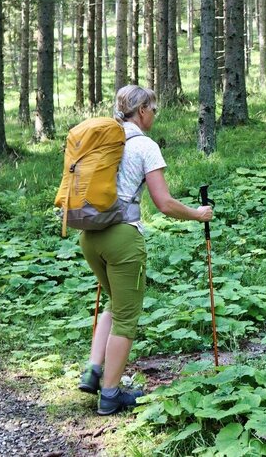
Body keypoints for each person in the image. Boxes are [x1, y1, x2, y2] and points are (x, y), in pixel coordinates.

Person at [77, 85, 213, 415]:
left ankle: (93, 371)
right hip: (122, 238)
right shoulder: (145, 146)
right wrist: (197, 214)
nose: (154, 115)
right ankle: (110, 395)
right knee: (126, 318)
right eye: (153, 109)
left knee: (114, 304)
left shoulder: (101, 139)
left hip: (89, 234)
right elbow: (164, 203)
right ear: (141, 111)